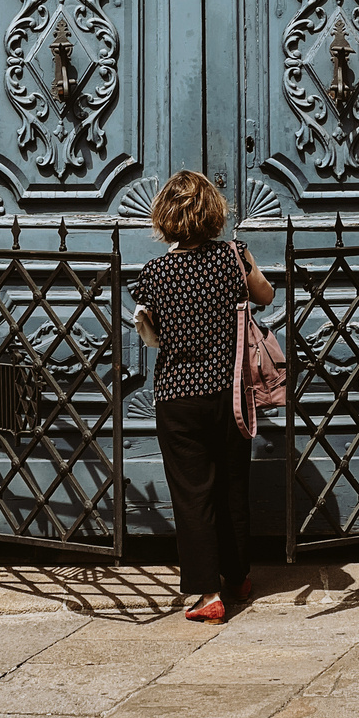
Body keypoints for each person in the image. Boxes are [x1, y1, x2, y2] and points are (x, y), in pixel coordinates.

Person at [131, 170, 274, 622]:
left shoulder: (154, 272)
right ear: (213, 213)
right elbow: (265, 296)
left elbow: (149, 331)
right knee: (233, 484)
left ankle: (207, 594)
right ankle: (238, 576)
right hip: (230, 390)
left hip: (178, 395)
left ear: (164, 217)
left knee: (193, 493)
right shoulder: (233, 256)